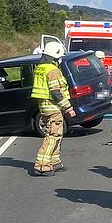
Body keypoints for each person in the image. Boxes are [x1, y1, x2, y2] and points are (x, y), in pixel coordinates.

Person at [31, 41, 75, 177]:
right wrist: (68, 107)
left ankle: (54, 162)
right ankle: (42, 166)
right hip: (53, 108)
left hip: (44, 107)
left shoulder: (40, 68)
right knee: (53, 136)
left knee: (57, 134)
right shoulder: (53, 71)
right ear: (55, 56)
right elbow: (56, 92)